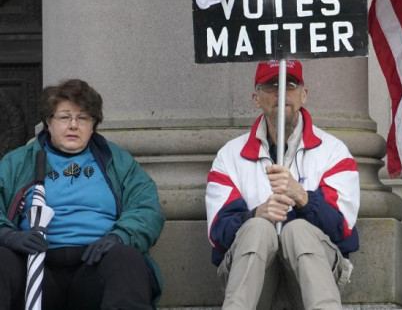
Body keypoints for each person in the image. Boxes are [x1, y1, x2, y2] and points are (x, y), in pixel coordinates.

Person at [205, 60, 360, 310]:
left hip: (311, 280)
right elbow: (218, 233)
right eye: (271, 85)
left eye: (289, 84)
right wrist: (255, 215)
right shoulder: (230, 156)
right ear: (256, 98)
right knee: (257, 229)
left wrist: (303, 198)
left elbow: (342, 228)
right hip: (256, 284)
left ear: (304, 94)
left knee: (297, 230)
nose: (280, 93)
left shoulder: (334, 152)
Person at [0, 79, 165, 309]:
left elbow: (147, 208)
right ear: (49, 122)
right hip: (35, 267)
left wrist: (119, 237)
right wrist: (9, 236)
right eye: (65, 117)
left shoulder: (117, 161)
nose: (74, 125)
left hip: (96, 265)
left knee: (126, 259)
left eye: (83, 118)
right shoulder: (17, 162)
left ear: (93, 125)